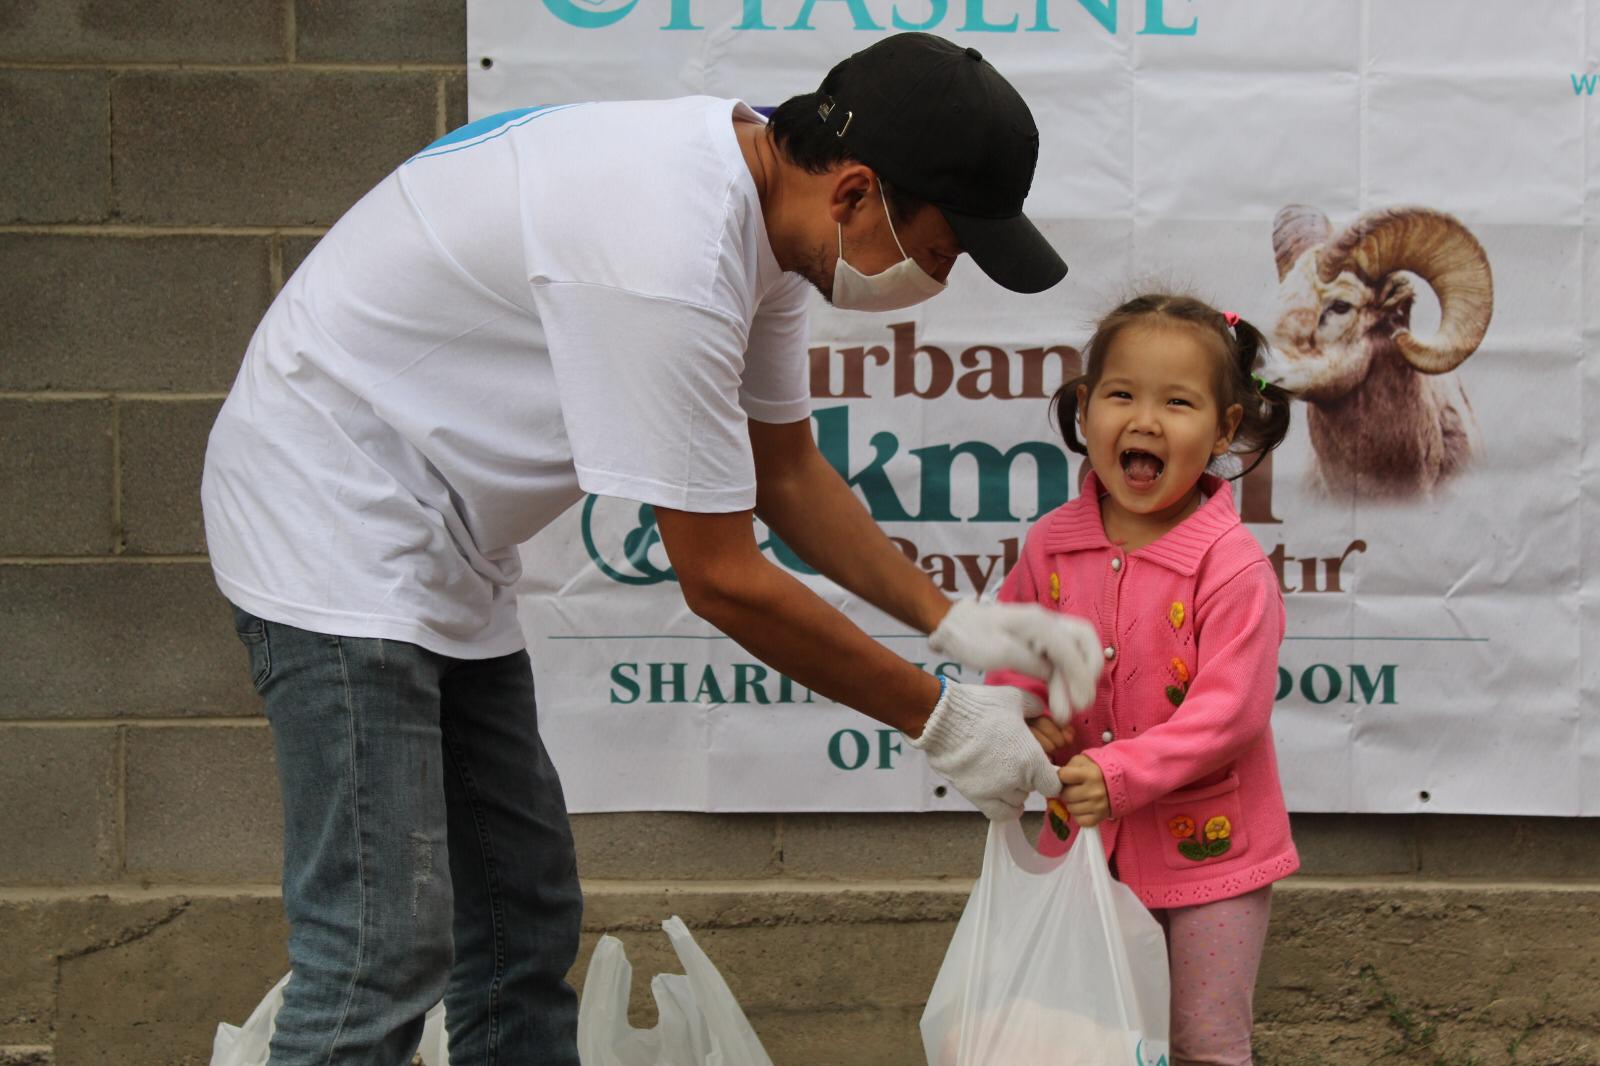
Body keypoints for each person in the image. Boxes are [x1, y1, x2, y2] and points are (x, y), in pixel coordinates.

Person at [201, 32, 1104, 1066]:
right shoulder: (666, 249)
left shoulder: (754, 205)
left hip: (432, 528)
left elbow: (788, 474)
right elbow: (722, 579)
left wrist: (956, 620)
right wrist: (940, 720)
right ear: (856, 191)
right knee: (381, 946)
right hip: (329, 518)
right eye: (941, 252)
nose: (936, 282)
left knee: (517, 913)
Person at [985, 294, 1301, 1065]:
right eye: (1122, 395)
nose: (1147, 420)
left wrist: (1119, 770)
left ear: (1225, 429)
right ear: (1086, 410)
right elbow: (1016, 648)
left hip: (1212, 862)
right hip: (1084, 849)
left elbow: (1231, 713)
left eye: (1179, 402)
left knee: (1204, 1044)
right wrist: (1023, 716)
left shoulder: (1231, 566)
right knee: (1088, 1036)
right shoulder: (1051, 545)